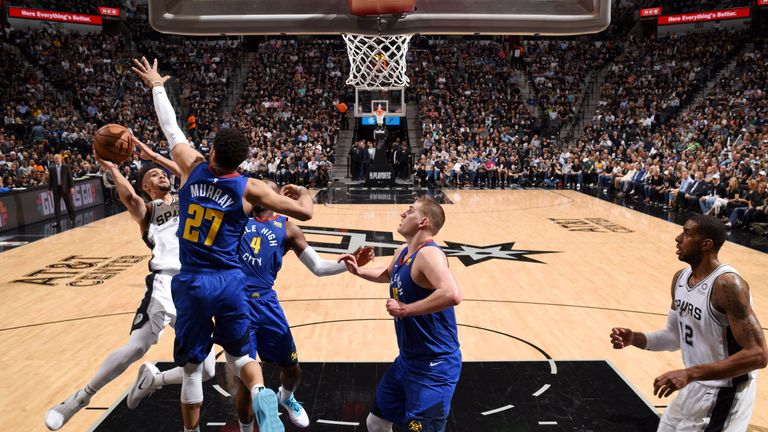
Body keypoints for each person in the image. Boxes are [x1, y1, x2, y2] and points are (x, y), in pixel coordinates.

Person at [133, 57, 313, 432]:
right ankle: (262, 389)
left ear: (212, 151)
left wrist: (157, 85)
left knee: (193, 368)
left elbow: (170, 127)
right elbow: (303, 212)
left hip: (194, 281)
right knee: (242, 353)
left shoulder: (191, 165)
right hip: (232, 282)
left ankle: (191, 430)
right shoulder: (250, 188)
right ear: (241, 161)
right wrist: (306, 193)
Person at [44, 139, 215, 430]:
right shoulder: (148, 210)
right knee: (137, 347)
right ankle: (77, 399)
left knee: (207, 369)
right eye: (152, 176)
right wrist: (111, 168)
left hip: (196, 286)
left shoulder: (189, 197)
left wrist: (154, 157)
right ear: (145, 187)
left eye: (162, 174)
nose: (160, 176)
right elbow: (130, 199)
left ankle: (154, 380)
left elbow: (193, 173)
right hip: (165, 283)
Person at [233, 180, 374, 431]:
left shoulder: (288, 229)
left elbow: (318, 267)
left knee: (292, 368)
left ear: (277, 195)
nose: (254, 191)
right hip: (236, 304)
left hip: (266, 303)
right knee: (245, 380)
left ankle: (286, 398)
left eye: (262, 187)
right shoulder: (236, 218)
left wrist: (351, 264)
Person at [610, 214, 767, 432]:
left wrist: (689, 373)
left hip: (726, 392)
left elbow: (758, 355)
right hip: (695, 385)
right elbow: (674, 336)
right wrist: (634, 338)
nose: (677, 238)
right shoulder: (680, 279)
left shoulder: (728, 285)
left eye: (686, 233)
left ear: (706, 244)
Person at [338, 197, 462, 432]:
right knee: (376, 422)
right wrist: (358, 271)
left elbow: (452, 294)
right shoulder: (404, 252)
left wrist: (406, 309)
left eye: (410, 211)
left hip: (435, 366)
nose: (403, 214)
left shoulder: (429, 255)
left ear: (423, 222)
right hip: (407, 361)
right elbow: (386, 273)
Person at [47, 153, 76, 228]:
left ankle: (73, 220)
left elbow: (70, 177)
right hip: (56, 189)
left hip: (65, 188)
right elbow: (50, 179)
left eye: (58, 158)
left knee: (69, 204)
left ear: (61, 159)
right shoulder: (52, 168)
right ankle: (58, 222)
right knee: (57, 206)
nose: (56, 160)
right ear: (54, 160)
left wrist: (72, 187)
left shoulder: (66, 167)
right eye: (55, 159)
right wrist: (49, 189)